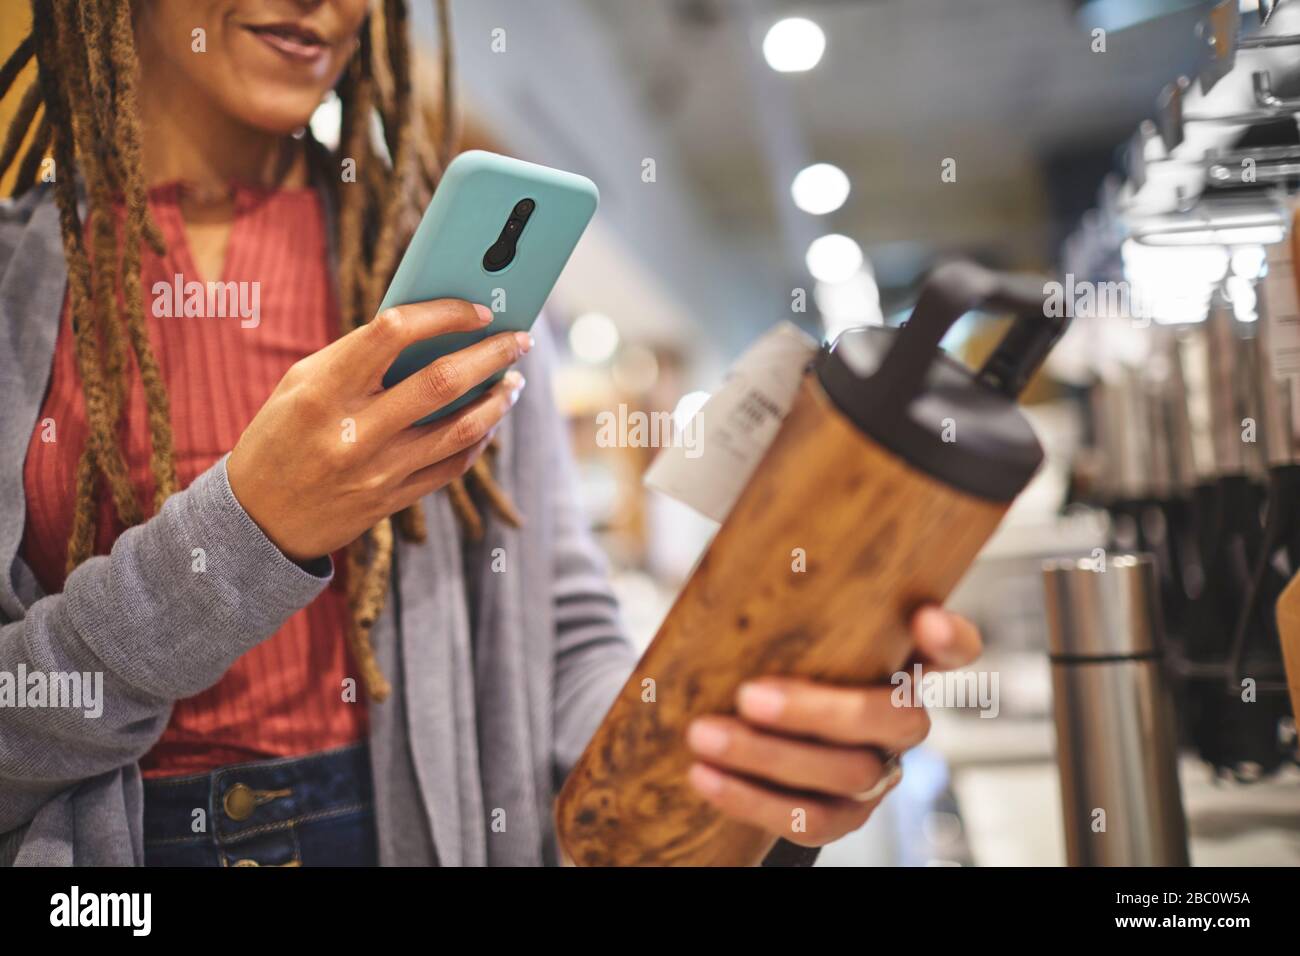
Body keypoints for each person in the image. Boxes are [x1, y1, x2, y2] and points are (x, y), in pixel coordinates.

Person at [0, 0, 982, 867]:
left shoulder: (437, 266)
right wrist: (244, 535)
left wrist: (719, 754)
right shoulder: (15, 289)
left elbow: (563, 636)